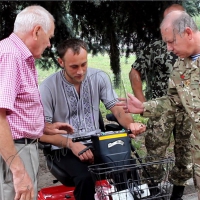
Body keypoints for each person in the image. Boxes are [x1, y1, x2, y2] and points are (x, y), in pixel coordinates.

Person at [39, 38, 146, 200]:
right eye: (74, 66)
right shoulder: (47, 87)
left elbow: (117, 109)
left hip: (97, 141)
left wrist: (130, 124)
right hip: (64, 147)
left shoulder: (99, 77)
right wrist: (71, 144)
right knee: (85, 178)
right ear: (61, 62)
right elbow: (41, 131)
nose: (80, 71)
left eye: (84, 64)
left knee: (127, 166)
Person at [117, 10, 200, 200]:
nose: (169, 48)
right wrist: (145, 107)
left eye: (171, 42)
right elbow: (175, 100)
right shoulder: (182, 64)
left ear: (187, 33)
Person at [0, 5, 55, 200]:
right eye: (49, 37)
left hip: (20, 148)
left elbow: (15, 110)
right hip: (15, 151)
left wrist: (44, 127)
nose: (49, 44)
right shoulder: (11, 55)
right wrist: (18, 171)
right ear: (37, 31)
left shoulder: (17, 55)